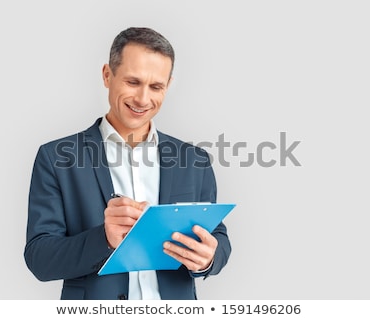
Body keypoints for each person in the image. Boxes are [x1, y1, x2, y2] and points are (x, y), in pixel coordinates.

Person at [24, 27, 231, 300]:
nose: (143, 99)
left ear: (167, 86)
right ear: (107, 76)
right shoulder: (56, 158)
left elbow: (218, 237)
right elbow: (40, 258)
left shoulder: (194, 160)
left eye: (156, 86)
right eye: (133, 82)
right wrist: (104, 239)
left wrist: (208, 259)